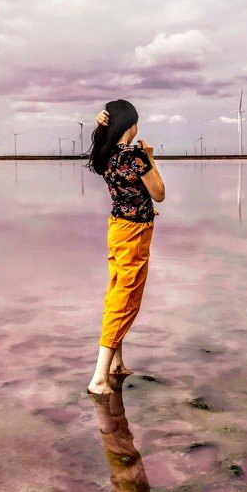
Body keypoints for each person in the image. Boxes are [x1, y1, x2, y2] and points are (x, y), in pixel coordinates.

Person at [85, 99, 166, 398]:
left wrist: (99, 127)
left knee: (116, 289)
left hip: (117, 227)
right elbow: (159, 194)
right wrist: (151, 158)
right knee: (126, 298)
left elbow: (130, 191)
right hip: (135, 233)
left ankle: (117, 364)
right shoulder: (135, 157)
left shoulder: (105, 154)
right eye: (136, 121)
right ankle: (99, 377)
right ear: (131, 125)